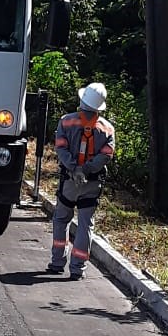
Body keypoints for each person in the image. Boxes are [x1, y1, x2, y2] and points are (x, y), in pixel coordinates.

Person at [46, 81, 115, 280]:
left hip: (69, 182)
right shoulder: (108, 129)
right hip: (92, 183)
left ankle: (57, 262)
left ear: (82, 100)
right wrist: (87, 169)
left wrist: (74, 168)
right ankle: (78, 269)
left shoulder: (66, 122)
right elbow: (106, 155)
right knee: (85, 225)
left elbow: (61, 148)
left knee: (61, 219)